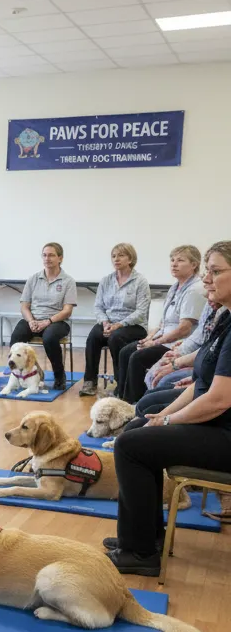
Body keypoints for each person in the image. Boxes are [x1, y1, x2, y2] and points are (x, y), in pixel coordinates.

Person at [105, 241, 231, 576]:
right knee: (136, 428)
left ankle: (142, 554)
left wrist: (169, 420)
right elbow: (199, 383)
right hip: (216, 424)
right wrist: (162, 417)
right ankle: (142, 538)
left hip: (225, 434)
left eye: (216, 271)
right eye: (208, 271)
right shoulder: (225, 321)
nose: (208, 279)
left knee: (130, 445)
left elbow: (218, 399)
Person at [115, 245, 205, 403]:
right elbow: (163, 322)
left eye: (180, 260)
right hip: (164, 337)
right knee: (125, 351)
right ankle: (121, 395)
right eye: (172, 260)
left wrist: (155, 342)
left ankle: (133, 402)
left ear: (194, 264)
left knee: (137, 357)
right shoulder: (175, 287)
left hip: (178, 343)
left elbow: (184, 329)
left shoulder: (195, 290)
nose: (174, 264)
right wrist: (149, 338)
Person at [80, 243, 151, 397]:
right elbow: (98, 306)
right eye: (113, 256)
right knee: (93, 336)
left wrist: (119, 324)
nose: (116, 259)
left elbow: (141, 311)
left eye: (121, 255)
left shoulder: (140, 281)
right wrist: (105, 322)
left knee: (116, 337)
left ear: (130, 259)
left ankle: (121, 383)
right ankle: (90, 381)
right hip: (109, 323)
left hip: (134, 325)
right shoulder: (106, 280)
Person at [9, 242, 78, 390]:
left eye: (52, 255)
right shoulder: (33, 279)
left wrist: (48, 321)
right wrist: (31, 320)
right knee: (16, 337)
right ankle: (26, 372)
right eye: (45, 255)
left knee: (50, 338)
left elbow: (67, 310)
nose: (47, 258)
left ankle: (59, 375)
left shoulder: (68, 281)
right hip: (33, 319)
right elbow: (24, 306)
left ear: (60, 258)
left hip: (57, 321)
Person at [144, 298, 225, 391]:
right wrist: (180, 350)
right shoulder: (214, 307)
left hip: (205, 366)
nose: (207, 297)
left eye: (211, 287)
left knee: (164, 380)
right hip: (195, 356)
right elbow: (200, 336)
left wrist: (178, 361)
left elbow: (211, 353)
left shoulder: (224, 316)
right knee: (154, 373)